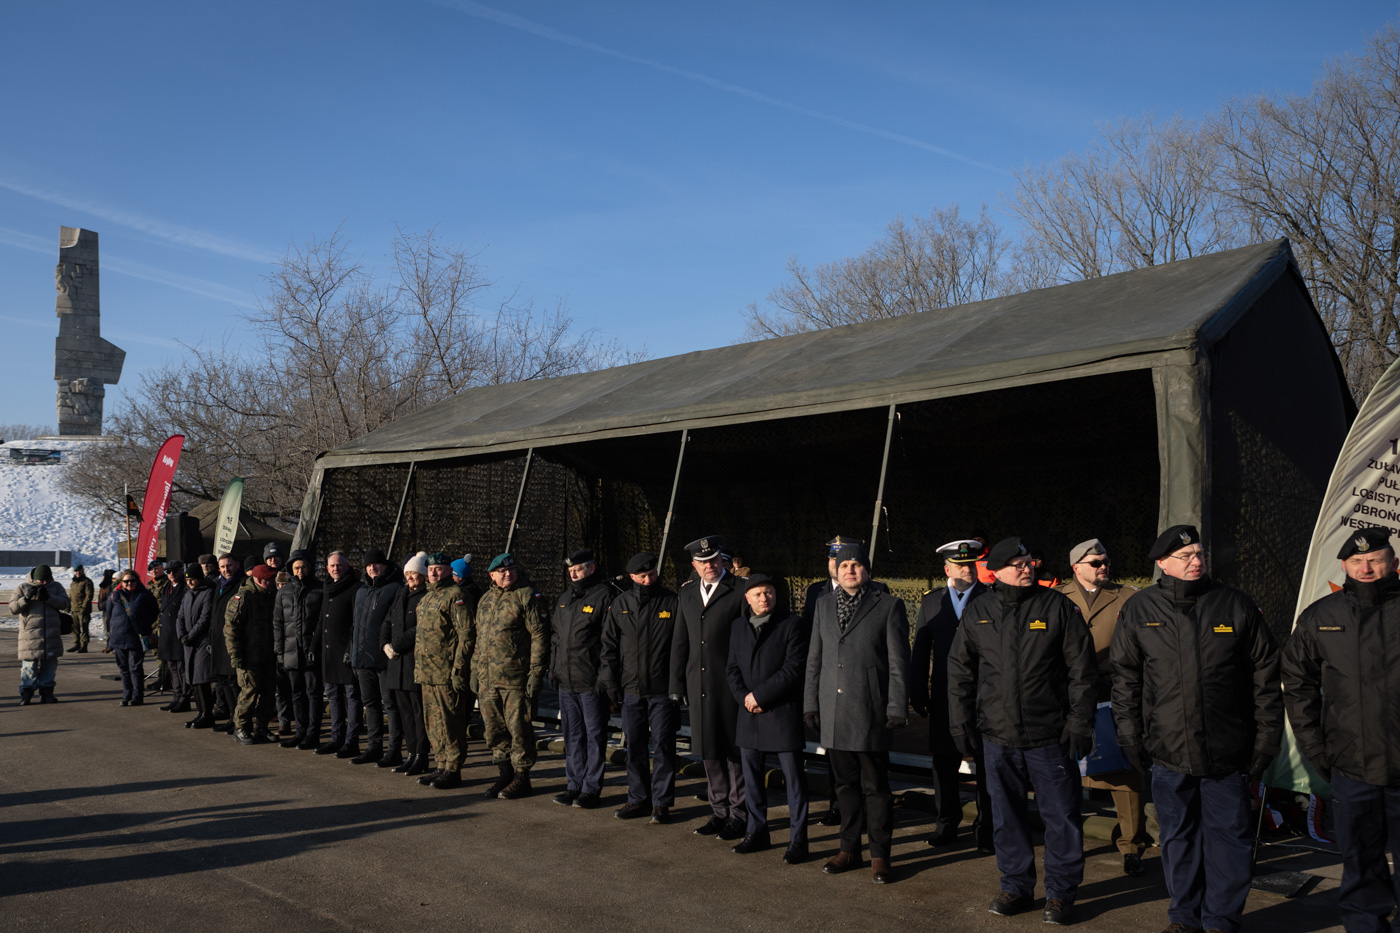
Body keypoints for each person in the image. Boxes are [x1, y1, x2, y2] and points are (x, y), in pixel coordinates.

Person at [1112, 524, 1282, 933]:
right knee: (1178, 838)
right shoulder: (1140, 609)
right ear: (1162, 563)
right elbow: (1125, 679)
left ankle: (1221, 919)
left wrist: (1267, 737)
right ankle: (1184, 917)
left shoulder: (1235, 605)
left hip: (1227, 749)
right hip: (1168, 750)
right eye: (1185, 556)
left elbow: (1265, 675)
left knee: (1230, 840)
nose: (1196, 561)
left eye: (1199, 554)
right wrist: (1129, 733)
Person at [948, 537, 1097, 924]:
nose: (1027, 568)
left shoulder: (1057, 607)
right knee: (1006, 816)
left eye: (1029, 561)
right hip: (997, 737)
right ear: (996, 572)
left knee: (1061, 817)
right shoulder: (979, 611)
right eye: (1017, 564)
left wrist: (1080, 722)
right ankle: (1015, 886)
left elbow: (1082, 671)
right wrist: (960, 725)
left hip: (1050, 736)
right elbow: (960, 672)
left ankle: (1060, 894)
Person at [1282, 526, 1400, 933]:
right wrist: (1315, 747)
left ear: (1393, 562)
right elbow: (1297, 683)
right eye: (1356, 561)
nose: (1366, 568)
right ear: (1345, 566)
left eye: (1375, 560)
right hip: (1352, 765)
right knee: (1361, 862)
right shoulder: (1321, 616)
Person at [804, 542, 910, 884]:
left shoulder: (888, 605)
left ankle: (880, 855)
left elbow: (898, 662)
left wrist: (897, 706)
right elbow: (815, 658)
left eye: (856, 564)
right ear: (836, 570)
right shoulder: (823, 605)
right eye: (844, 565)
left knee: (875, 788)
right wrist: (810, 703)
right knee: (844, 786)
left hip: (870, 711)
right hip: (833, 710)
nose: (849, 570)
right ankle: (848, 849)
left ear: (867, 570)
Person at [1052, 537, 1147, 876]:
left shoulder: (1129, 597)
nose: (1103, 566)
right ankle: (1066, 842)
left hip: (1114, 692)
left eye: (1106, 561)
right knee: (1065, 769)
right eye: (1095, 563)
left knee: (1123, 770)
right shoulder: (1056, 597)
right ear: (1076, 567)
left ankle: (1132, 846)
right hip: (1068, 694)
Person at [909, 538, 993, 852]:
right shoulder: (932, 601)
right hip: (945, 697)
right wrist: (918, 690)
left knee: (987, 764)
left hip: (984, 696)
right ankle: (946, 823)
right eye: (960, 565)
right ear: (947, 569)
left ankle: (987, 828)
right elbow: (920, 650)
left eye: (970, 564)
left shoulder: (990, 598)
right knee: (944, 763)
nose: (967, 569)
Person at [727, 574, 810, 862]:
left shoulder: (792, 624)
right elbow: (732, 669)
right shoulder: (738, 626)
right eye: (758, 593)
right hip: (749, 715)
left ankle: (798, 840)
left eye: (769, 592)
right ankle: (757, 832)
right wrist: (746, 699)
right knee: (751, 780)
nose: (765, 598)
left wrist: (760, 696)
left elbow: (793, 668)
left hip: (781, 713)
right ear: (747, 598)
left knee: (794, 781)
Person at [670, 535, 748, 839]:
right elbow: (680, 641)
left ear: (721, 559)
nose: (709, 566)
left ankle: (739, 814)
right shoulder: (687, 593)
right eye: (702, 562)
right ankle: (719, 811)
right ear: (694, 566)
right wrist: (676, 684)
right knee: (709, 752)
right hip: (698, 685)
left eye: (713, 560)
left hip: (730, 686)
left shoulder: (740, 590)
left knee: (734, 753)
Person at [601, 551, 679, 824]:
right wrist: (611, 682)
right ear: (632, 577)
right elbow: (609, 646)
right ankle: (638, 800)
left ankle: (661, 804)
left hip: (662, 691)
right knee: (634, 746)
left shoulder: (672, 601)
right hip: (631, 690)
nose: (649, 580)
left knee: (664, 748)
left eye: (652, 574)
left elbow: (681, 647)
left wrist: (677, 686)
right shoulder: (621, 604)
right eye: (643, 576)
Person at [801, 534, 872, 827]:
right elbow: (812, 643)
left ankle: (864, 810)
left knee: (865, 761)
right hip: (830, 685)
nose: (838, 565)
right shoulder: (816, 593)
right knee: (834, 755)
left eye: (846, 560)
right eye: (834, 559)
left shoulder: (876, 593)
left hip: (861, 690)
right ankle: (837, 807)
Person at [473, 552, 548, 799]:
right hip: (487, 680)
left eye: (511, 570)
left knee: (519, 730)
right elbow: (479, 638)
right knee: (494, 730)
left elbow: (539, 635)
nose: (507, 574)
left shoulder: (526, 596)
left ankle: (522, 777)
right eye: (502, 571)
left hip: (515, 678)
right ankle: (504, 774)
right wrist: (474, 670)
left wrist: (536, 673)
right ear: (491, 575)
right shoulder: (485, 600)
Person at [550, 548, 616, 809]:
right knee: (572, 735)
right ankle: (574, 785)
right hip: (566, 681)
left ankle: (591, 788)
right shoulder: (566, 598)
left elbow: (610, 642)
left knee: (594, 736)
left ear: (591, 568)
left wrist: (605, 677)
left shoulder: (605, 595)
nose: (573, 574)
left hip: (591, 681)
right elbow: (556, 638)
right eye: (570, 571)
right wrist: (553, 669)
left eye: (578, 569)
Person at [413, 552, 474, 790]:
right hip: (427, 671)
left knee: (450, 722)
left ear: (449, 571)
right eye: (430, 569)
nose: (434, 573)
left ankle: (453, 768)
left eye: (439, 569)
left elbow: (466, 635)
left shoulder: (457, 596)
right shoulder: (427, 597)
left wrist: (458, 669)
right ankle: (441, 763)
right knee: (433, 722)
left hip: (446, 672)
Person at [350, 548, 403, 765]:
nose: (372, 568)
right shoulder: (361, 591)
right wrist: (353, 653)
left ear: (385, 565)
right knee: (370, 704)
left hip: (384, 659)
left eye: (377, 564)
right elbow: (355, 625)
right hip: (362, 658)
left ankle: (394, 750)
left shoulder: (395, 588)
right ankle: (374, 747)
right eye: (369, 565)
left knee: (390, 705)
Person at [384, 552, 430, 775]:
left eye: (414, 573)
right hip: (397, 664)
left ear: (423, 574)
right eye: (407, 573)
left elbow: (419, 627)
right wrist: (384, 644)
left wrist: (396, 645)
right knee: (406, 714)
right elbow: (388, 620)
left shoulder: (425, 596)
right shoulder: (401, 593)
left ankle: (421, 755)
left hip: (413, 662)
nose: (410, 577)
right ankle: (410, 753)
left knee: (419, 713)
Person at [273, 549, 324, 750]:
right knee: (296, 693)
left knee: (313, 693)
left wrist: (316, 645)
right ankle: (300, 733)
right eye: (296, 568)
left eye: (303, 567)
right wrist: (279, 651)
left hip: (312, 651)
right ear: (291, 569)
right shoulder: (283, 592)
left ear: (310, 567)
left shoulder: (320, 589)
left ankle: (313, 734)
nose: (300, 571)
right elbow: (278, 623)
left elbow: (322, 621)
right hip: (291, 651)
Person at [226, 563, 278, 744]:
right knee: (249, 692)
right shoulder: (243, 598)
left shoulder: (270, 595)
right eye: (267, 580)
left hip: (268, 655)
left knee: (268, 693)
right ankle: (240, 727)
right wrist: (235, 655)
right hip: (248, 656)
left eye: (272, 580)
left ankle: (261, 727)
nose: (271, 583)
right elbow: (231, 630)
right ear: (257, 579)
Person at [319, 550, 362, 758]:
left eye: (339, 565)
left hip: (346, 653)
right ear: (327, 569)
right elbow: (322, 621)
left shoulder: (356, 588)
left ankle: (351, 741)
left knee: (352, 696)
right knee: (333, 696)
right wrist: (313, 648)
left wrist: (349, 650)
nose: (336, 569)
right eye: (332, 566)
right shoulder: (327, 588)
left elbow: (356, 623)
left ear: (347, 566)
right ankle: (336, 738)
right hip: (328, 653)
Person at [9, 564, 69, 704]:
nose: (44, 583)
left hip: (51, 635)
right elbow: (13, 608)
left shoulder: (56, 587)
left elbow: (65, 604)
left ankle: (47, 693)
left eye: (47, 580)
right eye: (41, 580)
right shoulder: (22, 588)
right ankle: (26, 694)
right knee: (29, 668)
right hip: (30, 637)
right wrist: (26, 598)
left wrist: (49, 597)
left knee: (49, 667)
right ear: (34, 578)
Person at [105, 570, 158, 706]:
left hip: (136, 637)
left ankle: (137, 696)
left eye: (132, 581)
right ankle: (126, 695)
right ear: (121, 582)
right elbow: (109, 614)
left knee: (135, 668)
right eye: (126, 581)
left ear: (137, 581)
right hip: (118, 637)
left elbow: (154, 612)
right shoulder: (115, 595)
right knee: (123, 668)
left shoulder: (144, 594)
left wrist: (143, 626)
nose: (129, 583)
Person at [176, 562, 217, 728]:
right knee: (192, 678)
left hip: (201, 641)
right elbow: (180, 617)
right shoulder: (187, 594)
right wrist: (181, 635)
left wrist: (191, 635)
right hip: (188, 643)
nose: (190, 582)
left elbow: (205, 618)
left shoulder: (208, 592)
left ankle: (207, 713)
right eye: (187, 580)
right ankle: (200, 712)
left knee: (201, 678)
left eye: (192, 579)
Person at [209, 554, 245, 732]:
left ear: (237, 564)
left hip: (232, 641)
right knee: (223, 680)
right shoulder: (218, 585)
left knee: (233, 682)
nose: (226, 570)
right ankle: (232, 717)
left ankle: (240, 720)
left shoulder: (242, 584)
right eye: (222, 567)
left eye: (229, 565)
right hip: (218, 640)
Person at [263, 543, 295, 738]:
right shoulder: (263, 583)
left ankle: (298, 720)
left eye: (276, 557)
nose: (273, 560)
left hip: (291, 642)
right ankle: (284, 721)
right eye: (269, 557)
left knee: (294, 686)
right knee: (279, 688)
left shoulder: (291, 578)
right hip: (272, 643)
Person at [157, 562, 191, 714]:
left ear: (181, 571)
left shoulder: (185, 588)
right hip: (167, 635)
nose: (171, 574)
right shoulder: (167, 587)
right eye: (168, 572)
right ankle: (176, 696)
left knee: (182, 668)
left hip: (178, 633)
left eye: (174, 571)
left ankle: (184, 698)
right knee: (172, 668)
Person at [145, 559, 171, 693]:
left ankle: (165, 680)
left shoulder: (167, 583)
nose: (154, 571)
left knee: (163, 652)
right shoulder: (150, 585)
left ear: (162, 569)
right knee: (156, 651)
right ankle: (162, 677)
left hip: (163, 623)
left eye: (157, 568)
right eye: (151, 570)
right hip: (152, 623)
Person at [69, 564, 94, 653]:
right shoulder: (73, 582)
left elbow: (89, 595)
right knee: (74, 628)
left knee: (84, 628)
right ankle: (76, 644)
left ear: (82, 571)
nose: (78, 573)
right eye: (76, 571)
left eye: (79, 571)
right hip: (74, 609)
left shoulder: (87, 582)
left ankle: (84, 646)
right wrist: (68, 606)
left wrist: (84, 607)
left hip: (83, 610)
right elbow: (71, 595)